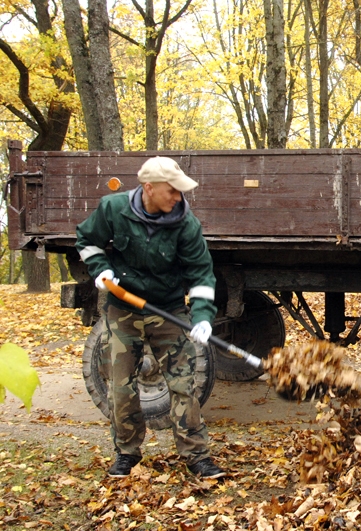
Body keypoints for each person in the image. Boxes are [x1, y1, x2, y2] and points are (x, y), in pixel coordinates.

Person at [76, 156, 225, 479]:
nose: (177, 197)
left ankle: (197, 456)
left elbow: (201, 273)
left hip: (168, 310)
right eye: (172, 191)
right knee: (121, 387)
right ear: (149, 188)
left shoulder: (186, 224)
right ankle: (127, 453)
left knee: (184, 384)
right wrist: (101, 270)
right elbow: (87, 241)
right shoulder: (113, 209)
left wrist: (201, 316)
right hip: (123, 309)